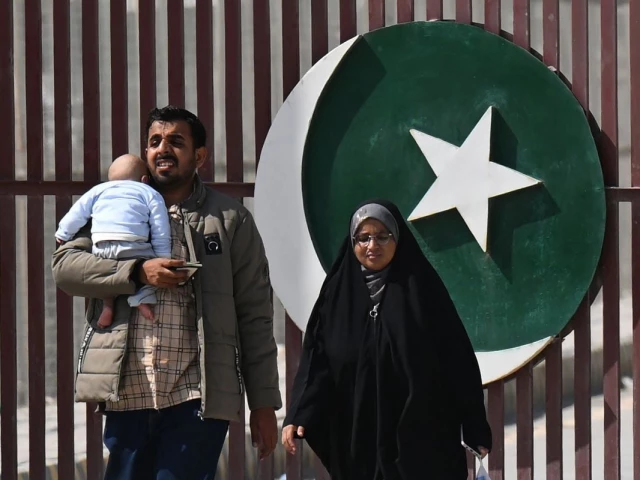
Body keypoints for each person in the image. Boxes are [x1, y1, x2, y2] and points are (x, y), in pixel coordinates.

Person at [52, 105, 282, 480]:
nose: (163, 149)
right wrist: (137, 272)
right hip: (128, 390)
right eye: (155, 141)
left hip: (198, 394)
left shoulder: (229, 220)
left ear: (200, 156)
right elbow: (65, 268)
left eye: (176, 142)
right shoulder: (113, 205)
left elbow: (255, 314)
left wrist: (263, 404)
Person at [282, 200, 492, 480]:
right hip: (358, 438)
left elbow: (458, 360)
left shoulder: (422, 291)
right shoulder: (337, 295)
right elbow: (316, 361)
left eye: (383, 236)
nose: (372, 246)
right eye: (363, 238)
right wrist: (298, 413)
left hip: (420, 438)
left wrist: (475, 424)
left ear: (398, 238)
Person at [55, 154, 170, 328]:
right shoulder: (148, 192)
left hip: (101, 246)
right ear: (145, 179)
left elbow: (77, 213)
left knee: (107, 277)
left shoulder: (99, 190)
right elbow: (159, 227)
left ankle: (108, 304)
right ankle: (140, 299)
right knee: (148, 271)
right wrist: (162, 257)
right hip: (133, 245)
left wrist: (63, 232)